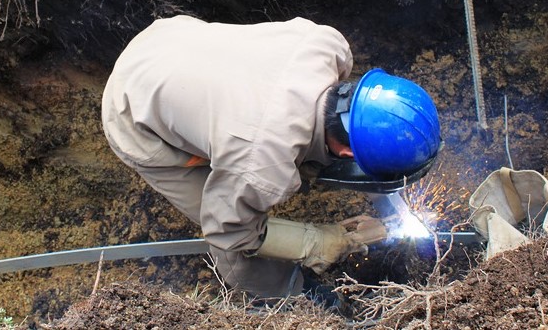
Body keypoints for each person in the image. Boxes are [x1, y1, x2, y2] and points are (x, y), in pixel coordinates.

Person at [101, 15, 441, 301]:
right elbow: (228, 231)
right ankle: (289, 296)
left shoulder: (328, 46)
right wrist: (319, 241)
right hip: (134, 109)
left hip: (170, 39)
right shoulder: (258, 166)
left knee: (256, 158)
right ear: (348, 153)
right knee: (235, 234)